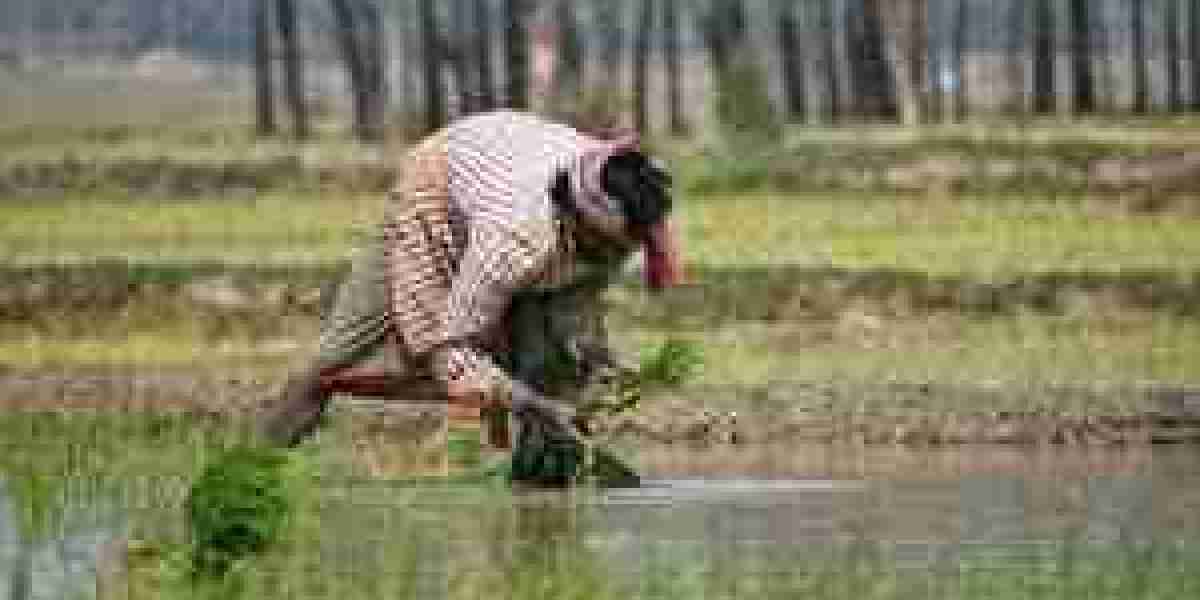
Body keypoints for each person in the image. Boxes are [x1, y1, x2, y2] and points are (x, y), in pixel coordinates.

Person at [257, 110, 684, 486]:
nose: (619, 258)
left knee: (559, 366)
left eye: (627, 248)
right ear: (580, 226)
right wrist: (524, 402)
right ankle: (251, 466)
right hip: (438, 196)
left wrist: (603, 365)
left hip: (506, 171)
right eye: (612, 248)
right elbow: (451, 355)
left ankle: (541, 496)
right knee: (334, 360)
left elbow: (582, 319)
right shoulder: (515, 241)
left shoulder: (630, 189)